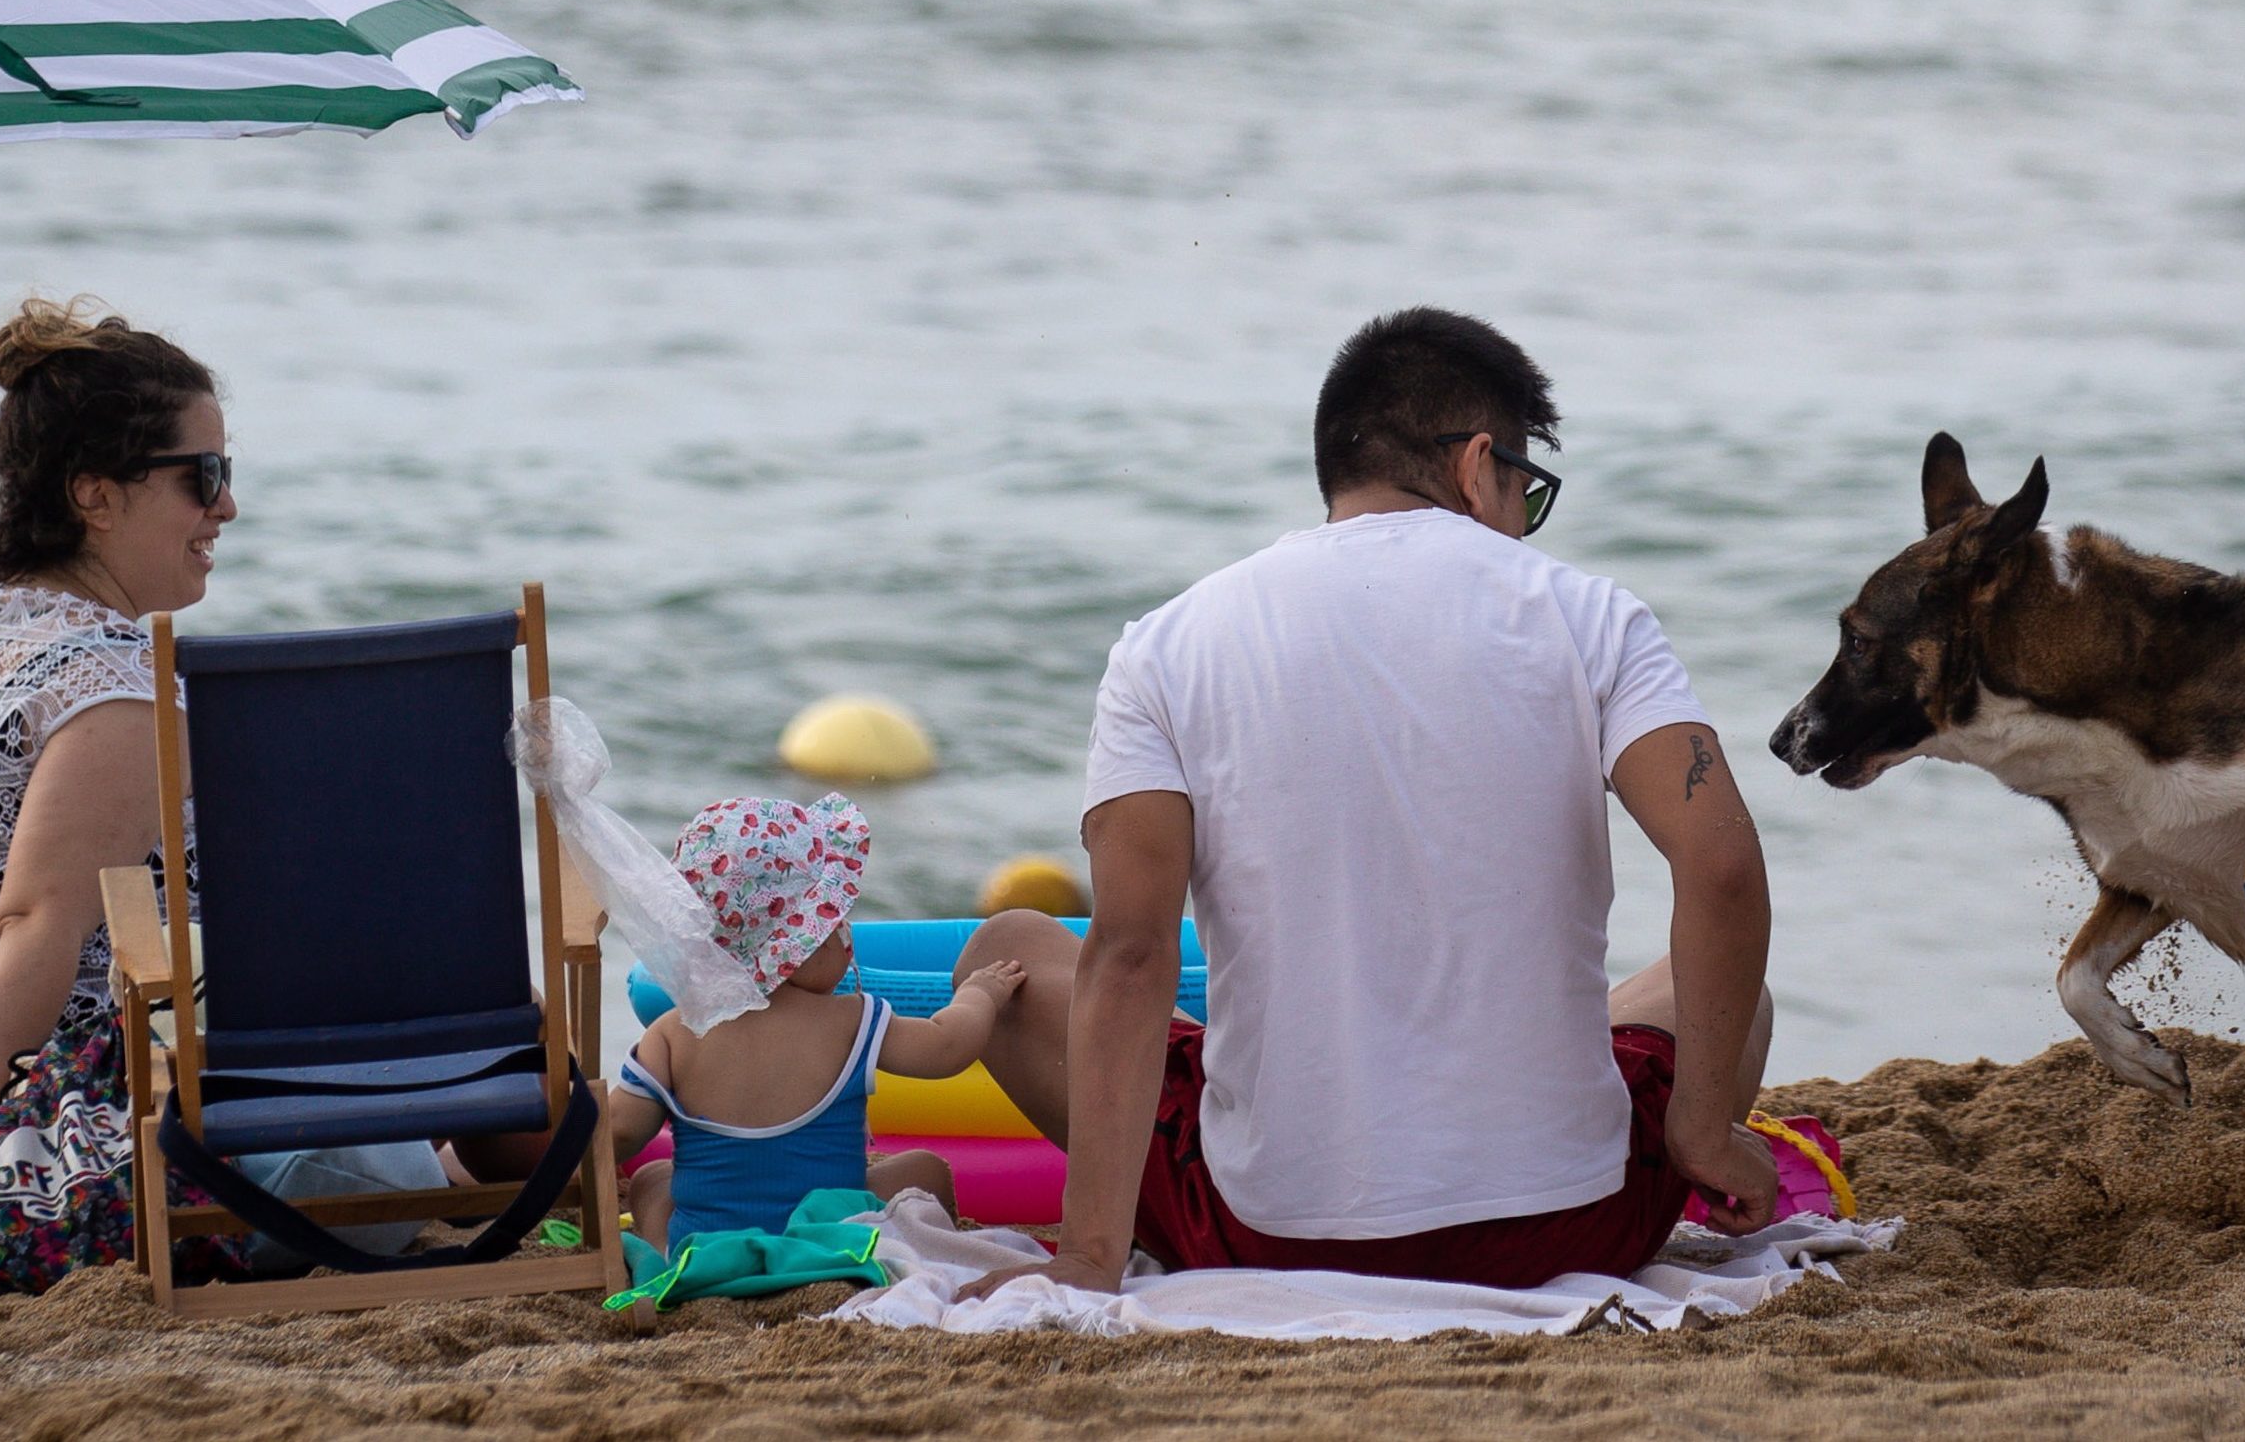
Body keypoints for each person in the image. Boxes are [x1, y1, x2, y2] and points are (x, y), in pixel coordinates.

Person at [959, 307, 1779, 1299]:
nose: (1525, 516)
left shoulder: (1167, 646)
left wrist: (1089, 1261)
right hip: (1567, 1227)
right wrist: (1701, 1134)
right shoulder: (1590, 615)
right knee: (1733, 1002)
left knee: (1003, 953)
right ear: (1480, 465)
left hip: (1264, 1233)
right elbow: (1723, 869)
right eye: (1529, 485)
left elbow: (1131, 953)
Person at [0, 296, 425, 1247]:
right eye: (204, 476)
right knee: (389, 1172)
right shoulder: (109, 692)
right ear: (95, 493)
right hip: (29, 1135)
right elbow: (35, 925)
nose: (227, 505)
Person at [606, 794, 1027, 1249]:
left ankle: (667, 1256)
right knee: (924, 1169)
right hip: (832, 1238)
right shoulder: (849, 1020)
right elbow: (947, 1047)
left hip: (712, 1242)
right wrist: (981, 994)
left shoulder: (672, 1033)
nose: (848, 942)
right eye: (836, 925)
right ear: (800, 946)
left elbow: (621, 1130)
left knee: (653, 1179)